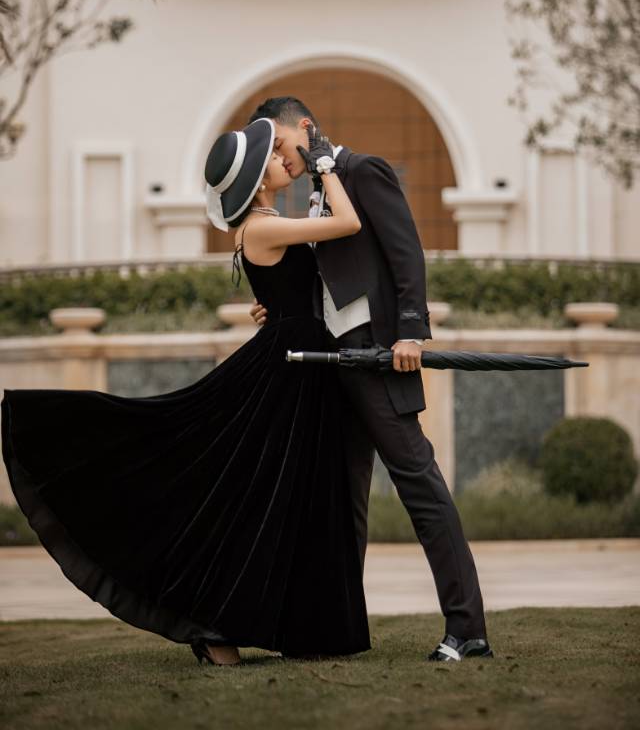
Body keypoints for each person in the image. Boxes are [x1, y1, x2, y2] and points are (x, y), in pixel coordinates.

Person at [1, 117, 371, 668]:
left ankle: (286, 627)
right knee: (260, 496)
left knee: (291, 496)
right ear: (256, 180)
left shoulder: (265, 225)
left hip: (298, 361)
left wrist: (277, 304)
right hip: (290, 371)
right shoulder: (260, 227)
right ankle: (215, 625)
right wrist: (324, 163)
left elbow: (298, 283)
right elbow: (348, 223)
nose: (281, 161)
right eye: (272, 158)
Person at [247, 97, 494, 663]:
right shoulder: (317, 193)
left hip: (379, 355)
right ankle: (335, 629)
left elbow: (407, 255)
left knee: (420, 488)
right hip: (335, 366)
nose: (278, 158)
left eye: (280, 144)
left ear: (305, 128)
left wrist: (411, 333)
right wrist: (279, 308)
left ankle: (468, 628)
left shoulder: (364, 171)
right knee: (344, 504)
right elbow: (334, 276)